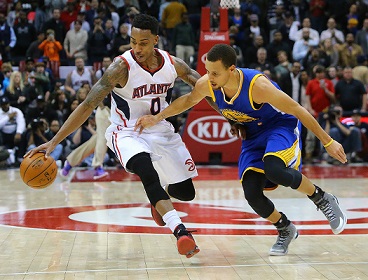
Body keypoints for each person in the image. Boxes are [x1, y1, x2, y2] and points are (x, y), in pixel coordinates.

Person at [135, 43, 348, 256]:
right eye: (208, 71)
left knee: (274, 169)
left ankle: (321, 198)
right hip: (252, 134)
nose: (210, 77)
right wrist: (157, 117)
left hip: (279, 126)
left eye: (215, 73)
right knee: (252, 194)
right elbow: (188, 101)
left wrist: (328, 142)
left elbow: (298, 109)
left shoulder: (258, 86)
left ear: (231, 69)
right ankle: (285, 228)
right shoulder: (209, 83)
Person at [25, 14, 200, 259]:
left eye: (144, 43)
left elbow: (204, 86)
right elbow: (87, 104)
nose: (137, 48)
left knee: (185, 192)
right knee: (147, 174)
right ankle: (181, 232)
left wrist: (234, 117)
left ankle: (157, 200)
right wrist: (54, 142)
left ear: (156, 41)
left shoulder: (173, 64)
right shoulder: (120, 68)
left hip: (161, 129)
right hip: (126, 131)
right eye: (133, 41)